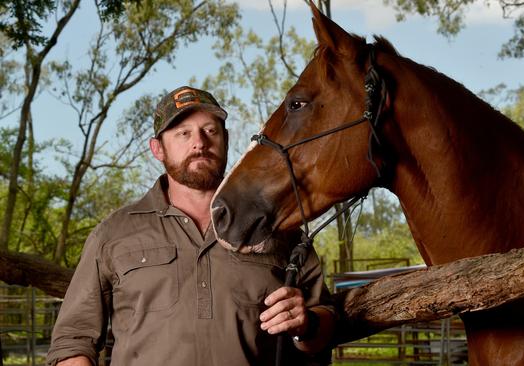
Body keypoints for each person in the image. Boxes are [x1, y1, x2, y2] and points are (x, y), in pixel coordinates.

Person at [46, 86, 336, 365]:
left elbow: (324, 329)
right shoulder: (113, 233)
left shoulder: (280, 230)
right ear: (157, 149)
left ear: (226, 139)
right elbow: (72, 341)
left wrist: (307, 324)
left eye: (210, 131)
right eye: (183, 133)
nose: (199, 143)